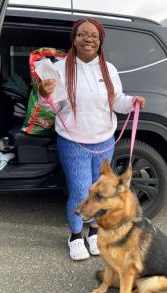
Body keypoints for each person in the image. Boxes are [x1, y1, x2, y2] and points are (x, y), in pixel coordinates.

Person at [38, 18, 146, 261]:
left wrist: (131, 102)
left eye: (94, 36)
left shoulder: (109, 70)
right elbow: (51, 103)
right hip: (73, 141)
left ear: (100, 41)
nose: (88, 39)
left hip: (104, 140)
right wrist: (44, 93)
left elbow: (116, 100)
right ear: (74, 39)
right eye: (82, 34)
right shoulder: (61, 68)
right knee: (79, 192)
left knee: (102, 192)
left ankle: (94, 232)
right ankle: (76, 236)